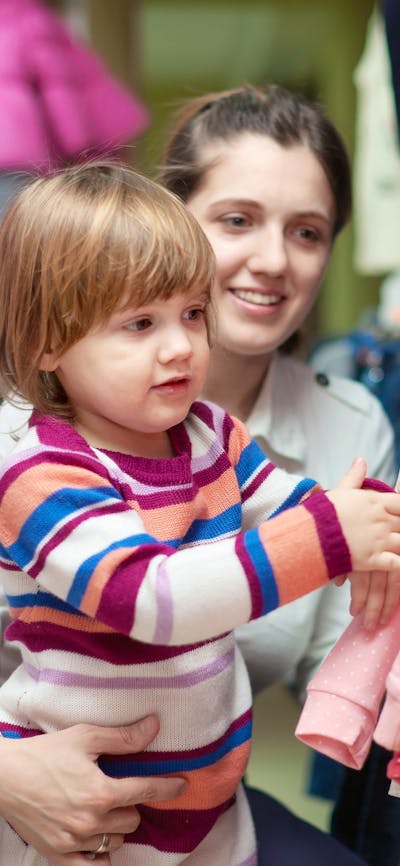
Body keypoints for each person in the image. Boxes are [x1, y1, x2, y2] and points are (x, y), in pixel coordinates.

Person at [0, 161, 399, 866]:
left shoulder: (208, 431)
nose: (181, 345)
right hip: (88, 817)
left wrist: (375, 524)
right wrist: (334, 537)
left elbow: (288, 499)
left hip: (214, 803)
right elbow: (153, 598)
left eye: (191, 313)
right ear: (49, 346)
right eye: (140, 323)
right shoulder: (41, 475)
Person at [156, 82, 399, 860]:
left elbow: (351, 651)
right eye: (237, 220)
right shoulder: (35, 426)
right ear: (171, 221)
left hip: (199, 814)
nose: (272, 261)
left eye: (307, 232)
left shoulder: (349, 424)